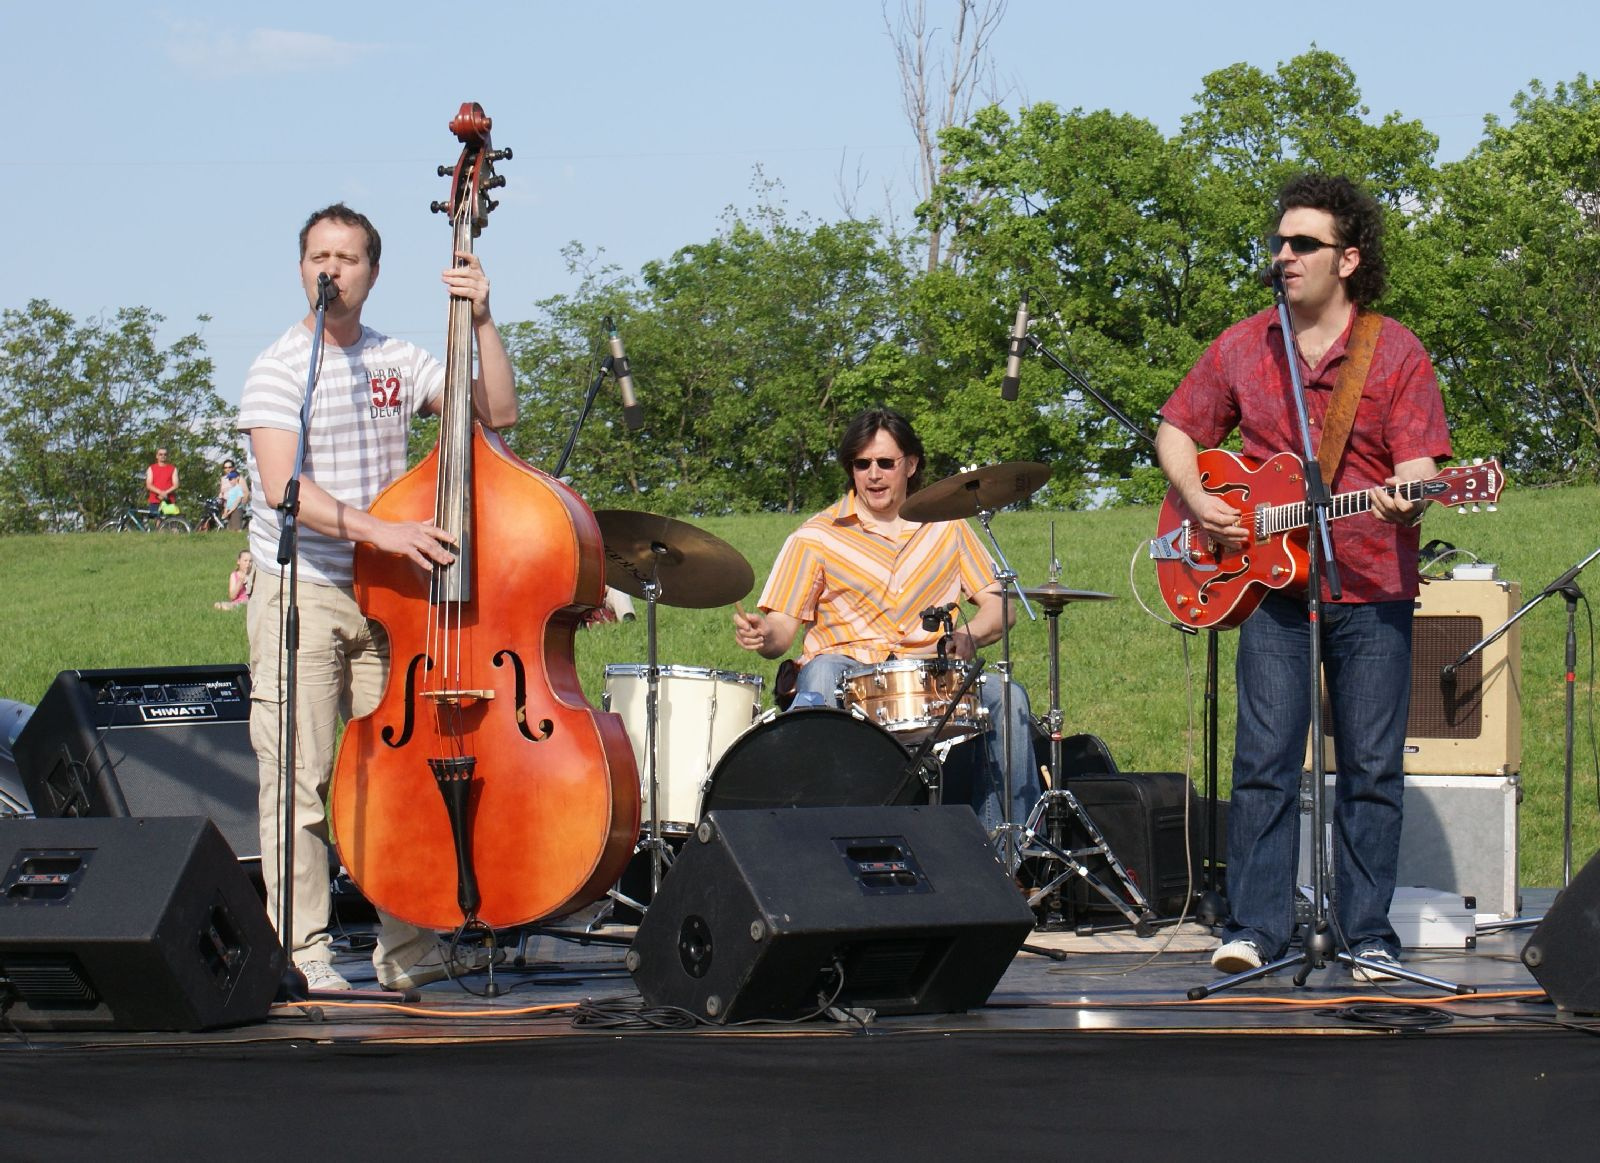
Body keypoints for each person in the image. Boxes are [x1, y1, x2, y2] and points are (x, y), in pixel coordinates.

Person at [1155, 173, 1452, 983]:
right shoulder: (1244, 344)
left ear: (1348, 258)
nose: (1284, 256)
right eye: (1280, 242)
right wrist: (1199, 497)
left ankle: (1368, 933)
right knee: (1263, 761)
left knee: (1371, 767)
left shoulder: (1393, 350)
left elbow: (1423, 462)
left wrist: (1407, 496)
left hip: (1372, 586)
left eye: (1304, 244)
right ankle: (1257, 925)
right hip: (1271, 587)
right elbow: (1177, 428)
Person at [239, 202, 518, 993]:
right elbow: (282, 485)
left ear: (372, 271)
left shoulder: (399, 358)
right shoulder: (277, 367)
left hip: (391, 599)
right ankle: (302, 953)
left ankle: (408, 949)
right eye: (318, 255)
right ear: (302, 267)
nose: (331, 268)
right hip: (310, 589)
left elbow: (496, 414)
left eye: (347, 257)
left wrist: (485, 321)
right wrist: (381, 532)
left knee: (400, 777)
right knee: (300, 778)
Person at [732, 407, 1039, 831]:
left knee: (1007, 695)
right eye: (862, 464)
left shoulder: (947, 527)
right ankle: (806, 834)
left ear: (910, 465)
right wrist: (762, 634)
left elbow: (1000, 605)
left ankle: (1010, 856)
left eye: (884, 463)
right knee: (819, 672)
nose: (873, 474)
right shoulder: (815, 536)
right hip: (845, 672)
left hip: (930, 675)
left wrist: (970, 633)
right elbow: (781, 632)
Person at [145, 448, 178, 515]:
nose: (163, 456)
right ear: (157, 456)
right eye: (160, 454)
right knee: (155, 519)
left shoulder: (173, 468)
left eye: (165, 454)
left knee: (170, 521)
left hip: (169, 499)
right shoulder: (151, 468)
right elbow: (149, 485)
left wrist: (165, 493)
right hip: (155, 499)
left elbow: (176, 485)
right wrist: (160, 492)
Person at [218, 459, 249, 530]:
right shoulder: (223, 479)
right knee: (229, 528)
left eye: (230, 467)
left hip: (237, 506)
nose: (228, 469)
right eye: (225, 467)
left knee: (236, 528)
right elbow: (221, 492)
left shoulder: (238, 478)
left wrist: (242, 505)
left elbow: (245, 492)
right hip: (226, 506)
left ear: (233, 467)